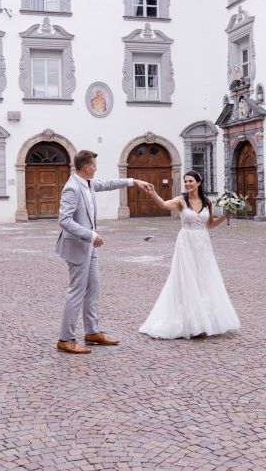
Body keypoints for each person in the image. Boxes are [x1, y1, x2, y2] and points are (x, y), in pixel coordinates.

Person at [55, 150, 153, 354]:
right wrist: (90, 235)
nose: (96, 168)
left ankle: (92, 332)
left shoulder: (88, 184)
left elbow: (109, 184)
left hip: (88, 247)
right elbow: (64, 220)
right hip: (77, 246)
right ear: (86, 167)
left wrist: (134, 181)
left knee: (93, 288)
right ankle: (65, 339)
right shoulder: (72, 188)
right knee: (76, 292)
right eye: (94, 165)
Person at [139, 170, 241, 339]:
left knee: (204, 277)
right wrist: (154, 194)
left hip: (203, 244)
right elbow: (164, 205)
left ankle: (205, 320)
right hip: (186, 243)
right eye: (185, 181)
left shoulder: (207, 202)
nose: (187, 184)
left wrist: (224, 216)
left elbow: (209, 224)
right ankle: (189, 321)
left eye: (190, 181)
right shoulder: (181, 201)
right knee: (187, 277)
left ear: (199, 182)